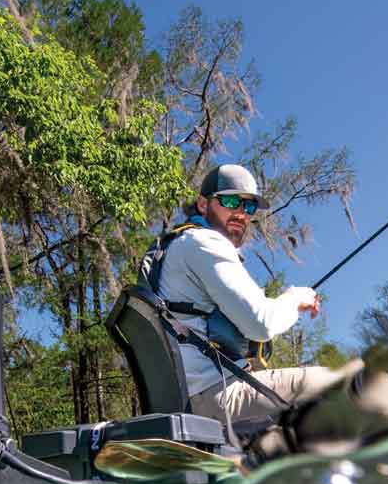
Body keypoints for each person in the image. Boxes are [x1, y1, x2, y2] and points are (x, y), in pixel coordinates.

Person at [150, 163, 359, 427]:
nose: (240, 213)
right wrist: (295, 297)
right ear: (203, 204)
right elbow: (261, 323)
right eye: (230, 201)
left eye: (248, 207)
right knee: (347, 382)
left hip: (193, 395)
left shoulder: (176, 246)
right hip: (213, 395)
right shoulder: (204, 242)